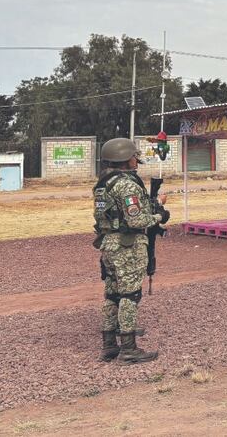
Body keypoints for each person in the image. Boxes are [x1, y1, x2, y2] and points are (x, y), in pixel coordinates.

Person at [92, 137, 168, 364]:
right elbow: (136, 220)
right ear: (124, 158)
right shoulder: (126, 184)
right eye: (134, 156)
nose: (136, 159)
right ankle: (128, 349)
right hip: (128, 246)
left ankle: (109, 345)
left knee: (112, 294)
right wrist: (159, 215)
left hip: (109, 245)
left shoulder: (103, 184)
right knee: (130, 295)